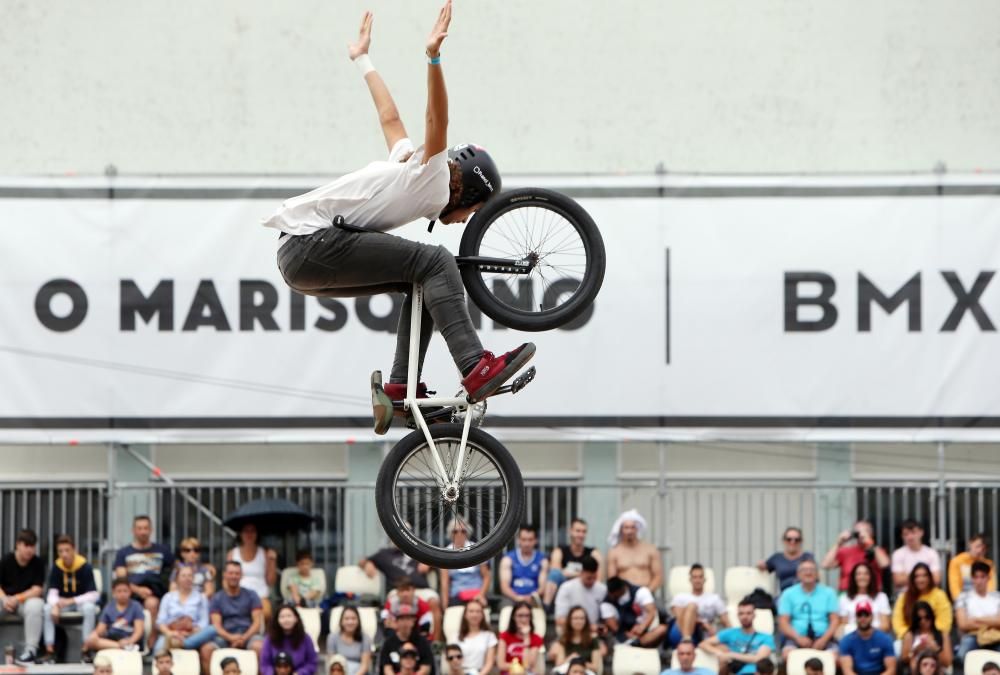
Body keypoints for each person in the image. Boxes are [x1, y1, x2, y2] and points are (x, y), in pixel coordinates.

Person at [268, 1, 533, 437]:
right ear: (463, 188)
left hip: (299, 257)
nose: (467, 220)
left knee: (422, 280)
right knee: (435, 261)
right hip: (311, 244)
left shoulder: (408, 163)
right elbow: (437, 117)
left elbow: (389, 117)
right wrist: (433, 57)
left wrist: (362, 59)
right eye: (472, 209)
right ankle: (475, 365)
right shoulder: (431, 176)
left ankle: (397, 388)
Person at [113, 515, 175, 647]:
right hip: (130, 593)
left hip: (155, 593)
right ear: (133, 530)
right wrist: (137, 590)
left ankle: (151, 642)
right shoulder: (123, 553)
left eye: (146, 528)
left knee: (152, 603)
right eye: (139, 528)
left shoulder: (162, 551)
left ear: (151, 530)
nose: (142, 531)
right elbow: (121, 578)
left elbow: (178, 569)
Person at [362, 542, 442, 637]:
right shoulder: (384, 554)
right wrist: (368, 563)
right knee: (391, 603)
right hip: (398, 590)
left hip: (421, 589)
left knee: (434, 601)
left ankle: (436, 642)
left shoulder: (418, 550)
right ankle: (392, 639)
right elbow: (362, 560)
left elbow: (440, 561)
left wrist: (429, 563)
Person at [42, 533, 99, 663]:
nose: (64, 554)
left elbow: (93, 595)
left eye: (67, 550)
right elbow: (52, 593)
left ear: (74, 549)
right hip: (63, 604)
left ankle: (86, 649)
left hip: (79, 603)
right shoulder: (57, 567)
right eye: (60, 551)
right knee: (46, 608)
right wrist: (55, 606)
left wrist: (72, 600)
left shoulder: (84, 566)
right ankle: (49, 650)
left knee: (90, 608)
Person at [201, 561, 264, 675]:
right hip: (225, 636)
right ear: (225, 575)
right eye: (231, 573)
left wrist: (243, 638)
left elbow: (257, 623)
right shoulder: (217, 598)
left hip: (248, 634)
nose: (234, 576)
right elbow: (217, 625)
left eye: (237, 573)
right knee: (206, 650)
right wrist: (231, 638)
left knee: (260, 647)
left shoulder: (252, 595)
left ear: (241, 575)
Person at [0, 528, 46, 664]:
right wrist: (4, 599)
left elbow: (37, 590)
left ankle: (30, 651)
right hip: (5, 601)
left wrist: (16, 598)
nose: (29, 550)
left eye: (32, 546)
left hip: (24, 603)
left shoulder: (38, 563)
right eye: (26, 546)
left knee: (36, 604)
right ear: (18, 545)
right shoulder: (6, 560)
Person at [777, 559, 839, 657]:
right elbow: (783, 622)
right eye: (804, 570)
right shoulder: (788, 594)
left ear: (817, 574)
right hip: (796, 638)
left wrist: (823, 640)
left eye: (812, 570)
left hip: (823, 638)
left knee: (835, 657)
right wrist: (798, 638)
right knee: (787, 654)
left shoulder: (829, 593)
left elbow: (834, 620)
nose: (808, 572)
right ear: (798, 574)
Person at [700, 599, 774, 675]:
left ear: (754, 615)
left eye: (748, 613)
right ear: (737, 615)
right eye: (741, 613)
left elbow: (759, 658)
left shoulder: (765, 637)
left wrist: (731, 654)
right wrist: (720, 653)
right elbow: (703, 644)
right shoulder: (730, 633)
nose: (745, 617)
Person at [543, 519, 603, 607]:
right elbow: (555, 572)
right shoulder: (559, 551)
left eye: (584, 532)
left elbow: (598, 577)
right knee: (554, 574)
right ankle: (545, 608)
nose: (581, 535)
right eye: (578, 531)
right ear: (570, 531)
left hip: (586, 586)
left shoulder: (593, 552)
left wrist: (568, 573)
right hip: (563, 588)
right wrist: (582, 574)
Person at [154, 563, 212, 652]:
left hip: (193, 635)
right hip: (171, 633)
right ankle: (182, 643)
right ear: (177, 579)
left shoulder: (201, 597)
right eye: (183, 576)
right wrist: (171, 633)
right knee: (158, 648)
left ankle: (184, 643)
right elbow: (160, 622)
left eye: (190, 575)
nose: (187, 578)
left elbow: (204, 622)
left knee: (212, 630)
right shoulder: (168, 597)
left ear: (193, 578)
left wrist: (190, 632)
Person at [227, 522, 277, 623]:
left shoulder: (264, 553)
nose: (249, 534)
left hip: (261, 596)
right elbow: (227, 579)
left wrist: (272, 562)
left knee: (266, 614)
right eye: (246, 531)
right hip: (238, 595)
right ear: (240, 534)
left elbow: (271, 581)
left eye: (252, 531)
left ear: (257, 534)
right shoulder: (233, 553)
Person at [820, 520, 889, 593]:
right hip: (847, 594)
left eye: (865, 531)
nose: (861, 534)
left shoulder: (877, 551)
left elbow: (885, 564)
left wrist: (870, 544)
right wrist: (839, 543)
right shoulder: (846, 551)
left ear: (871, 533)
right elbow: (825, 564)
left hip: (871, 594)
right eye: (858, 531)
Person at [668, 563, 728, 646]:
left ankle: (687, 642)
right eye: (695, 577)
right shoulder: (680, 597)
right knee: (692, 606)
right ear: (690, 579)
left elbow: (726, 621)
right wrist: (703, 623)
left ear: (704, 579)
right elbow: (680, 618)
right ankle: (687, 641)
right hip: (678, 633)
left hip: (703, 635)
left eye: (700, 577)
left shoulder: (714, 598)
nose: (697, 580)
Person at [83, 577, 145, 657]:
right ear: (114, 593)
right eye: (119, 591)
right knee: (91, 640)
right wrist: (94, 635)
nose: (122, 594)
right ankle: (120, 647)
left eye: (125, 591)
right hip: (111, 640)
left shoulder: (136, 606)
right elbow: (100, 629)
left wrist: (129, 641)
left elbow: (138, 631)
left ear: (130, 592)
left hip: (130, 639)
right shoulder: (109, 607)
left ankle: (123, 647)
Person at [601, 576, 668, 647]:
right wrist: (628, 634)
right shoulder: (606, 604)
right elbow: (615, 628)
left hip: (645, 631)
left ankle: (638, 643)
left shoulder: (641, 592)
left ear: (620, 590)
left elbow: (652, 612)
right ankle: (632, 643)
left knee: (662, 629)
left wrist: (642, 627)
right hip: (624, 636)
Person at [606, 510, 662, 595]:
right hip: (624, 595)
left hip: (646, 592)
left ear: (637, 529)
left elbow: (658, 576)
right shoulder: (614, 552)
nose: (629, 531)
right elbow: (612, 579)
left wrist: (647, 592)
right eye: (626, 528)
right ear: (621, 530)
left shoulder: (650, 549)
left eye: (633, 527)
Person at [890, 563, 952, 638]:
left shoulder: (940, 595)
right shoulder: (904, 597)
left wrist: (928, 636)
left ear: (930, 578)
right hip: (908, 639)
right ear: (912, 579)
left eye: (924, 576)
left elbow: (944, 623)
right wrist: (911, 636)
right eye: (917, 576)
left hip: (934, 638)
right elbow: (898, 623)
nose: (921, 580)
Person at [955, 560, 1000, 660]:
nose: (979, 581)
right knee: (962, 655)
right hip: (972, 637)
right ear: (972, 579)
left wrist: (975, 620)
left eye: (982, 577)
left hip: (996, 637)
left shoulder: (997, 597)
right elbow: (963, 624)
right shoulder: (963, 597)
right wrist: (992, 621)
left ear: (988, 578)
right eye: (976, 577)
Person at [440, 519, 491, 608]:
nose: (459, 534)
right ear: (450, 534)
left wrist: (481, 595)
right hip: (457, 595)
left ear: (467, 533)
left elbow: (487, 577)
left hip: (477, 594)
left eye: (463, 531)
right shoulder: (446, 553)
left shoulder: (477, 550)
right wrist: (445, 604)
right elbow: (444, 582)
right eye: (455, 531)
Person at [838, 601, 896, 675]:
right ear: (855, 617)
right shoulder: (846, 641)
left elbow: (891, 670)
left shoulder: (885, 639)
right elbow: (847, 671)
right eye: (860, 615)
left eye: (866, 614)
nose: (863, 618)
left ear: (872, 616)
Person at [261, 604, 319, 675]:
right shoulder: (269, 639)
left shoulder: (306, 638)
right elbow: (265, 664)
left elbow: (312, 663)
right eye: (282, 617)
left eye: (289, 616)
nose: (286, 620)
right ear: (277, 620)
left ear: (296, 618)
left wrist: (300, 673)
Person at [378, 604, 434, 675]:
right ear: (396, 621)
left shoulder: (422, 642)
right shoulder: (388, 643)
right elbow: (386, 668)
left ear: (413, 621)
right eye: (402, 619)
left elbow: (426, 667)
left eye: (408, 618)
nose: (405, 622)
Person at [499, 525, 548, 606]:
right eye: (524, 539)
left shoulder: (542, 560)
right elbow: (504, 587)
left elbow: (542, 587)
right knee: (505, 610)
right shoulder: (508, 559)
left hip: (534, 598)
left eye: (530, 540)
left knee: (540, 613)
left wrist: (532, 597)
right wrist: (517, 597)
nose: (527, 543)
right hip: (512, 599)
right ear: (518, 540)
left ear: (536, 540)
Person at [554, 556, 606, 631]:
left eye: (594, 578)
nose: (592, 581)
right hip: (571, 631)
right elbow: (559, 619)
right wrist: (586, 626)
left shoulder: (602, 589)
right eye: (589, 578)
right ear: (581, 573)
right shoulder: (566, 588)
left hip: (594, 632)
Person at [899, 601, 953, 672]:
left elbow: (947, 662)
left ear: (932, 617)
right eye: (919, 619)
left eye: (927, 617)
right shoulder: (910, 636)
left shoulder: (943, 635)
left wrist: (935, 648)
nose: (923, 621)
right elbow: (904, 659)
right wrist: (915, 651)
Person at [757, 527, 814, 593]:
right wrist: (760, 565)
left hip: (804, 593)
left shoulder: (807, 557)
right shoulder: (777, 558)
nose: (793, 542)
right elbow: (763, 568)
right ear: (784, 541)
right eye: (789, 539)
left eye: (797, 540)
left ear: (801, 541)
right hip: (784, 595)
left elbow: (815, 577)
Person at [839, 562, 891, 635]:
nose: (862, 577)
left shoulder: (881, 597)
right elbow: (843, 625)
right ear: (854, 577)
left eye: (866, 574)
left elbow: (886, 626)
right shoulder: (844, 598)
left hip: (876, 637)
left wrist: (866, 632)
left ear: (871, 577)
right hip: (853, 638)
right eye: (858, 574)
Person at [891, 520, 942, 592]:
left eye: (913, 533)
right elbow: (898, 581)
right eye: (906, 534)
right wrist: (926, 576)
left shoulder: (931, 553)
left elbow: (936, 580)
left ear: (921, 532)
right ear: (902, 536)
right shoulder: (898, 554)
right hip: (905, 596)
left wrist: (907, 576)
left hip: (928, 596)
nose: (910, 537)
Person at [548, 606, 601, 674]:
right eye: (575, 618)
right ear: (570, 620)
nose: (579, 621)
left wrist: (580, 662)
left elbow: (595, 666)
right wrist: (571, 659)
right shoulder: (564, 638)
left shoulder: (593, 639)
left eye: (582, 618)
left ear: (586, 620)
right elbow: (559, 663)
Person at [497, 601, 544, 675]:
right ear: (513, 617)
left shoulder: (536, 638)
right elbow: (501, 665)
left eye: (527, 615)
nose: (524, 619)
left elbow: (528, 664)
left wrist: (526, 637)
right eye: (520, 615)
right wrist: (517, 668)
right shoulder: (504, 636)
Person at [326, 605, 373, 675]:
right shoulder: (332, 638)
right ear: (341, 621)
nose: (350, 622)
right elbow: (332, 663)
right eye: (346, 619)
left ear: (358, 621)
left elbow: (364, 665)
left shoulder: (365, 638)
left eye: (353, 618)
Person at [949, 533, 997, 599]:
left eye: (983, 549)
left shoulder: (988, 564)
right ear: (970, 543)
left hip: (983, 601)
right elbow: (954, 587)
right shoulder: (957, 561)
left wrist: (986, 602)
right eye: (978, 546)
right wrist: (960, 603)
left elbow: (991, 587)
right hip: (963, 601)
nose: (979, 550)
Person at [456, 599, 496, 675]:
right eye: (471, 611)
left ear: (482, 615)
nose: (475, 615)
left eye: (478, 611)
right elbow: (453, 661)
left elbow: (490, 662)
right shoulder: (456, 636)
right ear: (465, 615)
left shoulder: (489, 636)